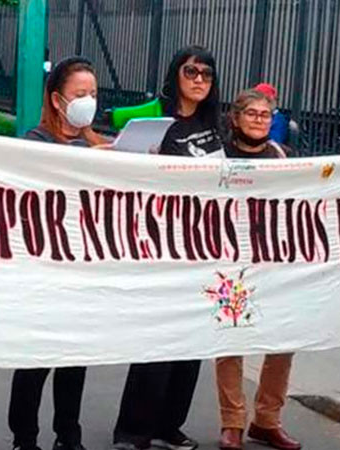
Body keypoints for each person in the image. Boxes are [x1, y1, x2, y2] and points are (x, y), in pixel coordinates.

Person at [112, 46, 222, 450]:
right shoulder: (153, 119)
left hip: (203, 247)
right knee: (157, 341)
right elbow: (112, 148)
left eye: (206, 74)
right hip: (159, 245)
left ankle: (169, 424)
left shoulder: (216, 123)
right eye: (190, 71)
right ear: (175, 73)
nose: (198, 79)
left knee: (191, 342)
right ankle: (133, 430)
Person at [8, 56, 106, 450]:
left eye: (94, 94)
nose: (89, 101)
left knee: (75, 359)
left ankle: (69, 435)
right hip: (45, 268)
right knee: (36, 361)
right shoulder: (37, 143)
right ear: (56, 99)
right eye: (80, 94)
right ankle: (25, 439)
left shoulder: (98, 144)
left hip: (84, 268)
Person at [216, 90, 299, 450]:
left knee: (282, 340)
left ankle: (267, 420)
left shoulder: (282, 156)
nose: (258, 120)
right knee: (232, 339)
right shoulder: (216, 158)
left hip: (274, 259)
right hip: (229, 259)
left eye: (265, 115)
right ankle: (232, 421)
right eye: (251, 113)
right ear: (235, 118)